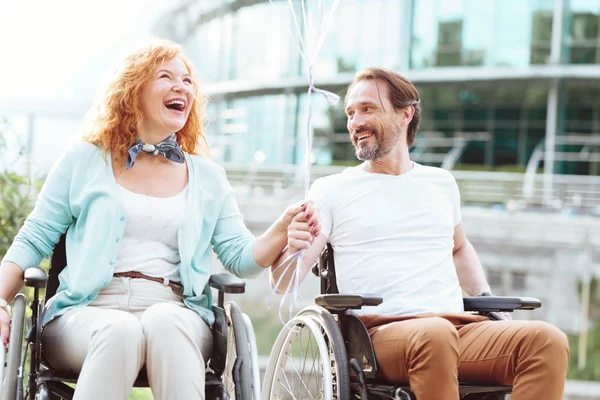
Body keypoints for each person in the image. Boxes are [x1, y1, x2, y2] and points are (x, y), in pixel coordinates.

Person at [0, 39, 319, 400]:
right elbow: (33, 239)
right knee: (119, 330)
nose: (181, 86)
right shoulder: (83, 160)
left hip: (175, 309)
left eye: (187, 81)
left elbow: (241, 260)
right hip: (85, 313)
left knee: (164, 321)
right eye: (165, 76)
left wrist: (282, 228)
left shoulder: (208, 177)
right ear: (133, 92)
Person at [271, 67, 569, 400]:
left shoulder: (441, 183)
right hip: (380, 334)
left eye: (367, 109)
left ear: (405, 114)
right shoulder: (331, 190)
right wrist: (290, 246)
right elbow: (284, 282)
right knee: (435, 334)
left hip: (455, 326)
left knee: (547, 340)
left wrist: (485, 299)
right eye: (350, 113)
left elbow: (458, 248)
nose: (355, 122)